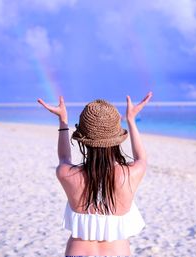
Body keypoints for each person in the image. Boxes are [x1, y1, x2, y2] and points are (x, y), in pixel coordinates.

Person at [38, 92, 152, 256]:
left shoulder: (66, 174)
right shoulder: (131, 174)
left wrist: (63, 119)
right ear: (117, 139)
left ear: (83, 140)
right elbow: (141, 158)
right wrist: (131, 120)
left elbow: (64, 157)